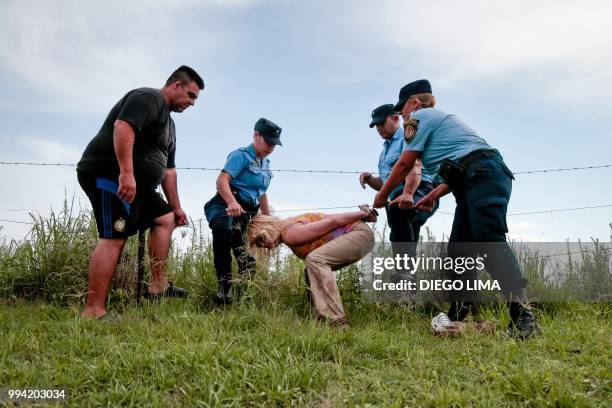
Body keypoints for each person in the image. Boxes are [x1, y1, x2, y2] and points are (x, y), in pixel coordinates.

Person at [373, 79, 540, 339]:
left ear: (414, 102)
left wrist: (381, 196)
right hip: (474, 177)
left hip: (483, 175)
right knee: (459, 251)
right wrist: (433, 194)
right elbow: (460, 166)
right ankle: (458, 316)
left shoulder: (418, 117)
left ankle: (524, 318)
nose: (402, 113)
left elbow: (406, 164)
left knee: (488, 241)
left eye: (402, 107)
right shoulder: (438, 121)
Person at [77, 65, 204, 319]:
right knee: (115, 236)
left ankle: (158, 286)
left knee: (165, 218)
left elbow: (169, 171)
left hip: (138, 185)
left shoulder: (170, 125)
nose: (192, 103)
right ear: (176, 85)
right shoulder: (148, 98)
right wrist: (126, 172)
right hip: (108, 175)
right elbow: (123, 127)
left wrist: (176, 207)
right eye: (191, 95)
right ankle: (93, 311)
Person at [246, 206, 377, 327]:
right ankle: (321, 319)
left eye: (260, 239)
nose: (262, 245)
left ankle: (335, 322)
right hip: (359, 235)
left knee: (314, 260)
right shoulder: (289, 228)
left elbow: (333, 221)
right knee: (310, 270)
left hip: (359, 235)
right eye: (258, 244)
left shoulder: (289, 233)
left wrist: (362, 213)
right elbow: (330, 220)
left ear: (267, 227)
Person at [204, 118, 282, 305]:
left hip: (245, 213)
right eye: (268, 142)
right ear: (256, 135)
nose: (271, 147)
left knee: (245, 256)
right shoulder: (241, 155)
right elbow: (222, 180)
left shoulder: (265, 163)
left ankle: (239, 299)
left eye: (274, 144)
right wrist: (231, 202)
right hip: (225, 205)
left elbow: (262, 193)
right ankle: (224, 289)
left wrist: (269, 221)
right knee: (223, 232)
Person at [360, 104, 438, 277]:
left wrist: (408, 193)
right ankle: (409, 291)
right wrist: (370, 179)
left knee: (397, 210)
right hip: (399, 193)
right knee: (407, 232)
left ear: (395, 118)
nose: (379, 128)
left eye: (381, 123)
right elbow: (386, 183)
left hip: (421, 189)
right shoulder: (384, 152)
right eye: (376, 126)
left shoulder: (406, 137)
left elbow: (413, 166)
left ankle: (403, 273)